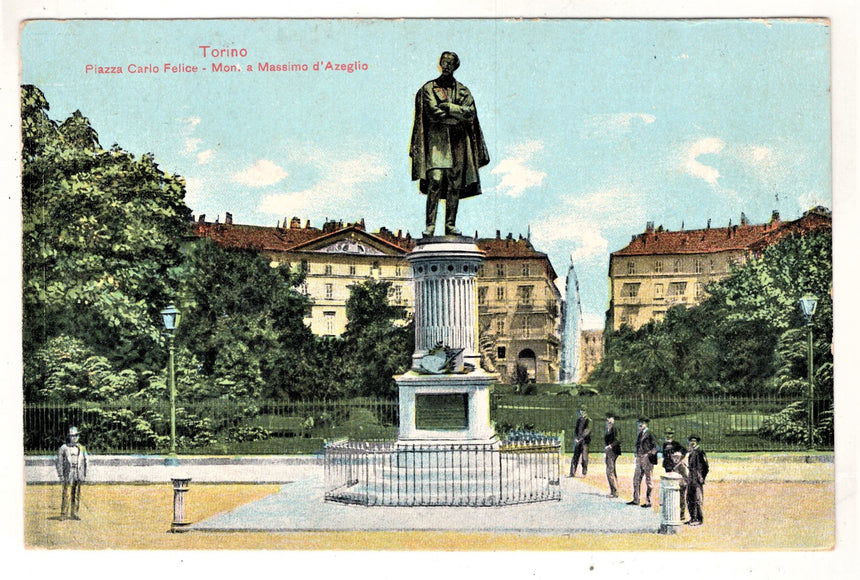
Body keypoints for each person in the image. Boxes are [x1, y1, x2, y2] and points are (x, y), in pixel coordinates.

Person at [410, 51, 490, 237]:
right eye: (443, 62)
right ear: (440, 64)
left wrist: (450, 108)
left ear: (455, 66)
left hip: (458, 143)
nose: (446, 66)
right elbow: (433, 113)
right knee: (435, 180)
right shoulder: (428, 88)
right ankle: (430, 225)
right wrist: (457, 113)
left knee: (455, 184)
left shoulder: (463, 90)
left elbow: (470, 113)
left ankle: (450, 225)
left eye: (450, 63)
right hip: (437, 142)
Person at [56, 426, 88, 520]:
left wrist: (84, 474)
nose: (73, 437)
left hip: (77, 472)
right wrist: (61, 475)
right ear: (68, 437)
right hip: (68, 472)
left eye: (75, 435)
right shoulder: (63, 448)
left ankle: (74, 513)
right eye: (71, 436)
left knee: (76, 493)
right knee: (67, 493)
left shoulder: (82, 448)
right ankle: (64, 514)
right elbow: (59, 462)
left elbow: (86, 461)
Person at [627, 417, 657, 508]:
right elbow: (637, 445)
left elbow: (655, 448)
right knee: (636, 479)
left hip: (647, 461)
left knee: (649, 481)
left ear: (646, 424)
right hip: (639, 460)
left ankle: (648, 501)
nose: (640, 424)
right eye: (639, 423)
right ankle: (636, 499)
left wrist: (647, 455)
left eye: (642, 423)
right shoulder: (639, 434)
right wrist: (636, 453)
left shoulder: (650, 434)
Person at [661, 427, 688, 520]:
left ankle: (681, 513)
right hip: (668, 469)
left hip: (675, 468)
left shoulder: (675, 444)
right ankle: (671, 511)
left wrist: (679, 458)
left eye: (670, 434)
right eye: (667, 434)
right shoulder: (664, 444)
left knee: (679, 491)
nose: (668, 435)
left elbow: (684, 451)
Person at [685, 435, 710, 526]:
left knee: (697, 498)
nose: (692, 443)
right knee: (689, 497)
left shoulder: (700, 452)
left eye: (694, 441)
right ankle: (693, 518)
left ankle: (699, 519)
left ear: (697, 442)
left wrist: (702, 477)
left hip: (697, 477)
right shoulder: (691, 452)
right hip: (691, 477)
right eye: (690, 441)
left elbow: (706, 467)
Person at [569, 408, 592, 477]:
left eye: (583, 411)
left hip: (585, 442)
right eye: (581, 411)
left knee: (584, 458)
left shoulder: (589, 420)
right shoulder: (578, 420)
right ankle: (572, 473)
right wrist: (576, 438)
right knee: (575, 457)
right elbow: (576, 431)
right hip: (578, 441)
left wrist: (580, 439)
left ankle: (584, 473)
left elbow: (587, 431)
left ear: (586, 412)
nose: (581, 412)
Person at [603, 412, 622, 498]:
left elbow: (618, 440)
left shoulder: (615, 428)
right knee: (611, 470)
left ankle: (614, 492)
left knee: (609, 471)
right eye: (607, 418)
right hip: (609, 451)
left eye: (610, 418)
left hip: (613, 451)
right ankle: (614, 490)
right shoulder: (609, 428)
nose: (608, 420)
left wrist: (610, 446)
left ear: (613, 419)